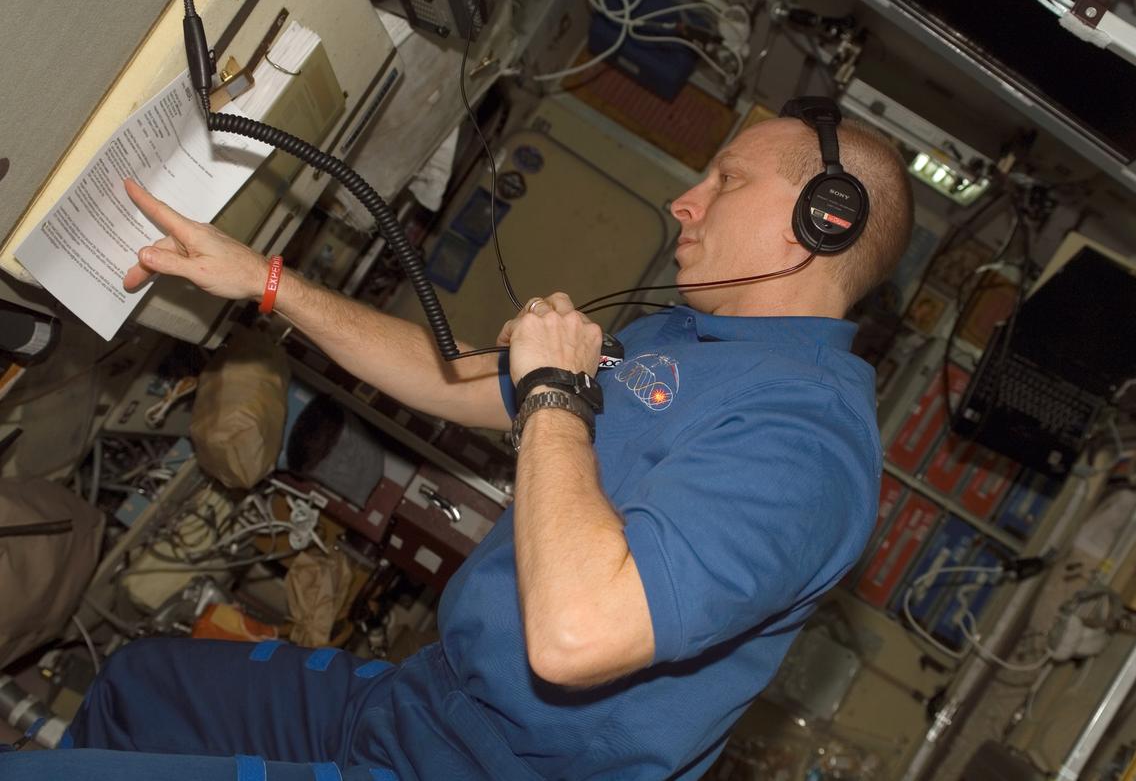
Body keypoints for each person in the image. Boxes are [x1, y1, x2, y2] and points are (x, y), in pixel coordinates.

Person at [1, 106, 913, 780]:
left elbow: (577, 632)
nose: (684, 202)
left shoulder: (809, 446)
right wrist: (268, 282)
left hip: (485, 770)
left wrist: (555, 387)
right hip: (420, 704)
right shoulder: (685, 336)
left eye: (727, 179)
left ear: (823, 220)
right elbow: (455, 376)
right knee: (139, 688)